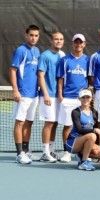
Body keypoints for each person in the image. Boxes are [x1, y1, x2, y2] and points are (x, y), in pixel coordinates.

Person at [10, 24, 40, 164]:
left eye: (36, 35)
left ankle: (26, 151)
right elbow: (12, 71)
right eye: (31, 35)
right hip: (22, 94)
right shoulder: (21, 51)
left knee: (29, 123)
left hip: (34, 94)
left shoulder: (38, 51)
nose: (33, 38)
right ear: (26, 35)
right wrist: (15, 90)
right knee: (20, 123)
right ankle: (19, 153)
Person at [57, 33, 89, 163]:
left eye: (80, 42)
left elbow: (89, 79)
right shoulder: (65, 60)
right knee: (68, 126)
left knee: (85, 126)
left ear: (84, 44)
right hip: (68, 98)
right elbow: (61, 79)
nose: (78, 45)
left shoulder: (88, 60)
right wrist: (60, 96)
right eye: (76, 42)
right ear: (73, 43)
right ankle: (66, 152)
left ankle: (83, 151)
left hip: (83, 99)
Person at [38, 31, 65, 162]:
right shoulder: (45, 56)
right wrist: (46, 94)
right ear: (51, 41)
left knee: (54, 123)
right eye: (56, 39)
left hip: (58, 96)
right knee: (48, 123)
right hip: (48, 95)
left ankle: (51, 150)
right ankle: (45, 152)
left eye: (61, 39)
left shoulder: (62, 55)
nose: (58, 41)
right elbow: (41, 76)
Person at [66, 88, 100, 171]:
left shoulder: (94, 112)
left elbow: (95, 131)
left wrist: (97, 145)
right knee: (92, 135)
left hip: (87, 140)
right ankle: (84, 162)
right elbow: (79, 130)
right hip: (73, 142)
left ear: (91, 98)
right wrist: (95, 130)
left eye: (88, 97)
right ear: (79, 99)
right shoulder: (76, 112)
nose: (85, 99)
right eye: (83, 97)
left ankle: (81, 155)